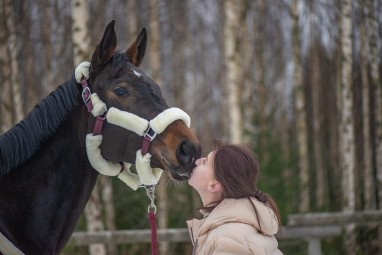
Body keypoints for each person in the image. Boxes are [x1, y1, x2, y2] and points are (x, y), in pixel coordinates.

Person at [187, 141, 283, 255]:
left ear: (214, 185)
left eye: (204, 162)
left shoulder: (227, 240)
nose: (197, 161)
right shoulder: (235, 230)